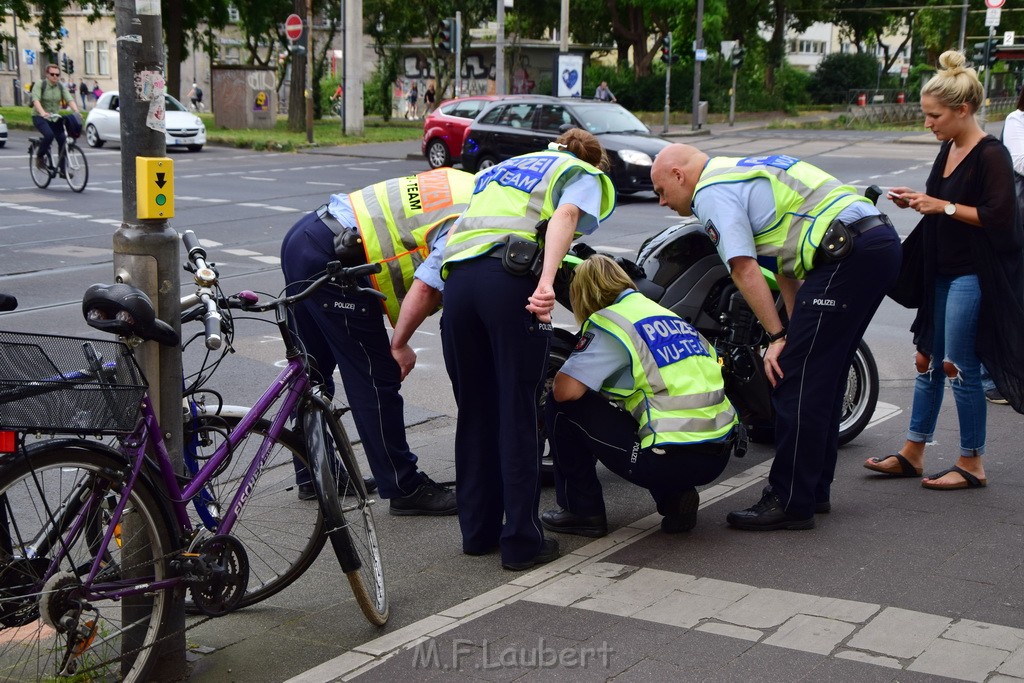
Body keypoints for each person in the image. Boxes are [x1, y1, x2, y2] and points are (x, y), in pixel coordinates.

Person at [651, 143, 901, 531]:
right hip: (873, 244)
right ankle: (812, 491)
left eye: (661, 191)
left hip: (847, 252)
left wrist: (778, 336)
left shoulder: (711, 190)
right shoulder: (743, 168)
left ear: (679, 175)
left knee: (793, 381)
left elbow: (743, 267)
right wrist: (791, 330)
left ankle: (788, 500)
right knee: (824, 376)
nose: (662, 201)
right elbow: (788, 264)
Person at [438, 128, 616, 570]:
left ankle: (477, 534)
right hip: (509, 283)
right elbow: (567, 216)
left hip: (458, 284)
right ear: (594, 161)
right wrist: (545, 283)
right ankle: (521, 542)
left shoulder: (500, 170)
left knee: (476, 412)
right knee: (518, 413)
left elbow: (454, 229)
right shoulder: (577, 172)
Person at [865, 50, 1024, 489]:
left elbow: (998, 216)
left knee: (957, 364)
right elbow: (943, 203)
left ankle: (972, 462)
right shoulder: (949, 147)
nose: (928, 123)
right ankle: (913, 452)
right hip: (940, 267)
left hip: (973, 273)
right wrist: (917, 199)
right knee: (925, 359)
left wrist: (943, 205)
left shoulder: (991, 154)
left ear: (963, 110)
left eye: (934, 115)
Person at [279, 168, 476, 515]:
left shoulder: (463, 181)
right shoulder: (473, 217)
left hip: (307, 236)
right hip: (336, 259)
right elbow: (428, 284)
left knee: (313, 372)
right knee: (374, 375)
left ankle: (315, 473)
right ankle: (404, 487)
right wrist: (399, 344)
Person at [541, 255, 739, 538]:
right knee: (650, 411)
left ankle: (581, 511)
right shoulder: (664, 314)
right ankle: (676, 498)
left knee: (561, 407)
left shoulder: (612, 323)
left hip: (669, 461)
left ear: (583, 294)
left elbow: (566, 390)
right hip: (717, 455)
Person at [30, 64, 81, 172]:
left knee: (63, 139)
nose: (55, 77)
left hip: (54, 117)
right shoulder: (40, 84)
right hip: (39, 117)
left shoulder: (60, 86)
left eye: (57, 74)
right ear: (47, 74)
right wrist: (43, 112)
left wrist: (76, 111)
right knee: (49, 135)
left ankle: (63, 171)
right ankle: (39, 157)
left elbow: (69, 99)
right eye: (52, 74)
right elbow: (36, 100)